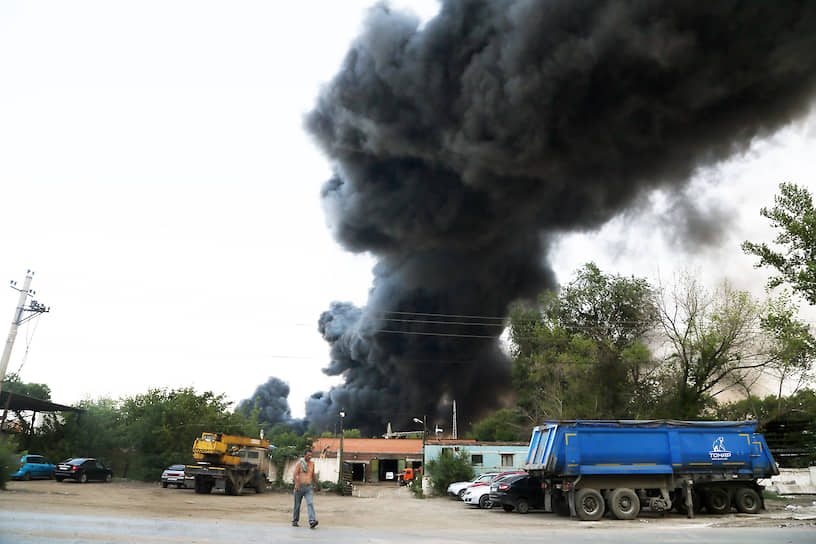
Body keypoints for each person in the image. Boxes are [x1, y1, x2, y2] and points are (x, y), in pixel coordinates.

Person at [292, 448, 318, 529]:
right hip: (299, 487)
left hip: (308, 487)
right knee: (297, 505)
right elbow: (295, 474)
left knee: (310, 503)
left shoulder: (312, 464)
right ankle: (295, 521)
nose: (310, 457)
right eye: (308, 455)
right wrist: (296, 484)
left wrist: (316, 484)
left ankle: (312, 521)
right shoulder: (300, 463)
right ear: (304, 455)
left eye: (311, 455)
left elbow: (313, 474)